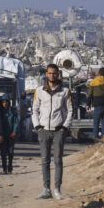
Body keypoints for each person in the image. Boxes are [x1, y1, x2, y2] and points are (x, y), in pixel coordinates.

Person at [32, 63, 73, 200]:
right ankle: (46, 189)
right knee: (44, 160)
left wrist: (64, 127)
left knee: (58, 160)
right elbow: (35, 110)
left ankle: (57, 189)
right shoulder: (39, 90)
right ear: (46, 74)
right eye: (49, 73)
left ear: (58, 74)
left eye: (54, 73)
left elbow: (70, 110)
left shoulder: (65, 91)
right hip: (43, 130)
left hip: (58, 131)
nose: (52, 75)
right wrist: (37, 126)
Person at [87, 67, 104, 138]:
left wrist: (88, 103)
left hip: (97, 104)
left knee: (96, 122)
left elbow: (90, 94)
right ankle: (103, 136)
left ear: (99, 73)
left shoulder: (94, 81)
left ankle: (96, 137)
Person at [0, 93, 19, 174]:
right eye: (3, 102)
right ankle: (4, 168)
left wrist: (14, 131)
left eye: (6, 102)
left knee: (10, 152)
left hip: (11, 135)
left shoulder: (13, 111)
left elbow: (16, 122)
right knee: (3, 152)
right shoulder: (0, 111)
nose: (5, 103)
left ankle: (10, 165)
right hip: (2, 135)